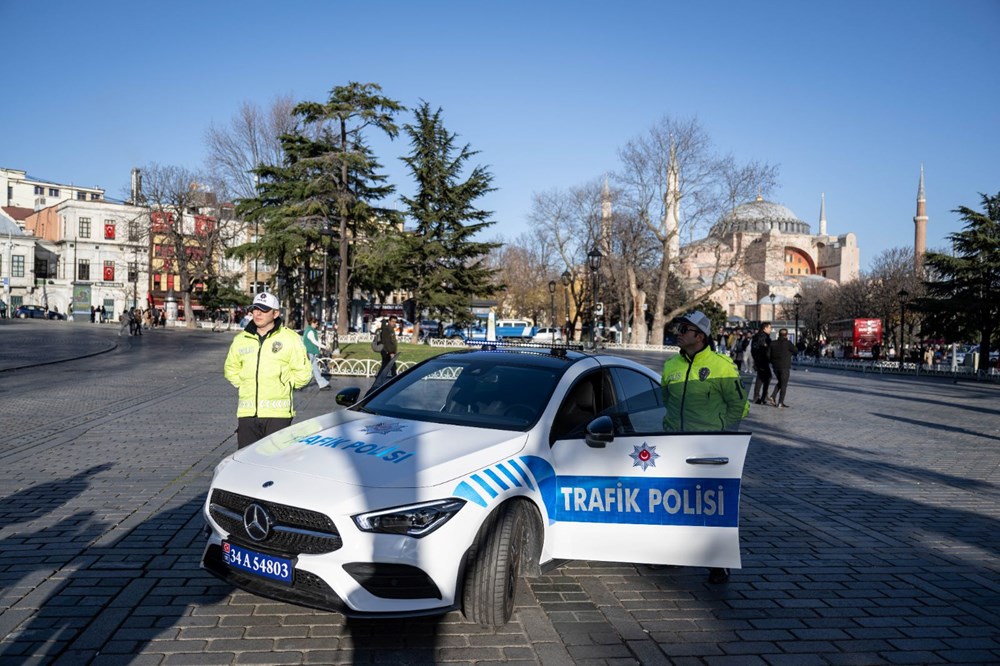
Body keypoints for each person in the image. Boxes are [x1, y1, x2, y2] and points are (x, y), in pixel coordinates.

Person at [659, 311, 749, 583]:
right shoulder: (670, 365)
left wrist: (718, 431)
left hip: (708, 448)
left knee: (711, 506)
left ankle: (717, 563)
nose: (679, 332)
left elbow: (740, 406)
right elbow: (665, 398)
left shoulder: (721, 365)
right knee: (674, 502)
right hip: (674, 444)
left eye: (684, 329)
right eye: (678, 327)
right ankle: (673, 555)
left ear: (700, 336)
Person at [224, 292, 312, 449]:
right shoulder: (241, 340)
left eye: (263, 309)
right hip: (247, 414)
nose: (257, 313)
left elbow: (303, 374)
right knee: (248, 464)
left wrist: (283, 384)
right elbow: (231, 369)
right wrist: (245, 384)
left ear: (276, 313)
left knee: (274, 463)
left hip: (277, 415)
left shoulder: (290, 339)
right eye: (255, 309)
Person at [768, 328, 796, 407]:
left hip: (775, 367)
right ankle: (780, 402)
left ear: (779, 334)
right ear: (786, 335)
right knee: (784, 384)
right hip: (785, 366)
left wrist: (772, 361)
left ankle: (773, 396)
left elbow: (768, 355)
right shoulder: (788, 343)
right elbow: (796, 351)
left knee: (780, 382)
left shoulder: (772, 343)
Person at [302, 317, 331, 391]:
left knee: (315, 369)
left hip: (309, 352)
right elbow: (314, 342)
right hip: (308, 352)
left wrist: (325, 344)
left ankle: (322, 384)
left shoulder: (310, 330)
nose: (317, 325)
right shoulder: (310, 331)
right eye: (316, 324)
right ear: (312, 323)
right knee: (310, 369)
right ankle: (296, 383)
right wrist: (324, 347)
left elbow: (317, 340)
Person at [751, 322, 772, 404]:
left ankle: (759, 396)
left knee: (761, 377)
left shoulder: (757, 336)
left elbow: (753, 350)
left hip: (759, 360)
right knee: (767, 377)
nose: (771, 329)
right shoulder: (763, 337)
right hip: (762, 360)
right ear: (765, 328)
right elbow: (764, 349)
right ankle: (763, 396)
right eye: (769, 328)